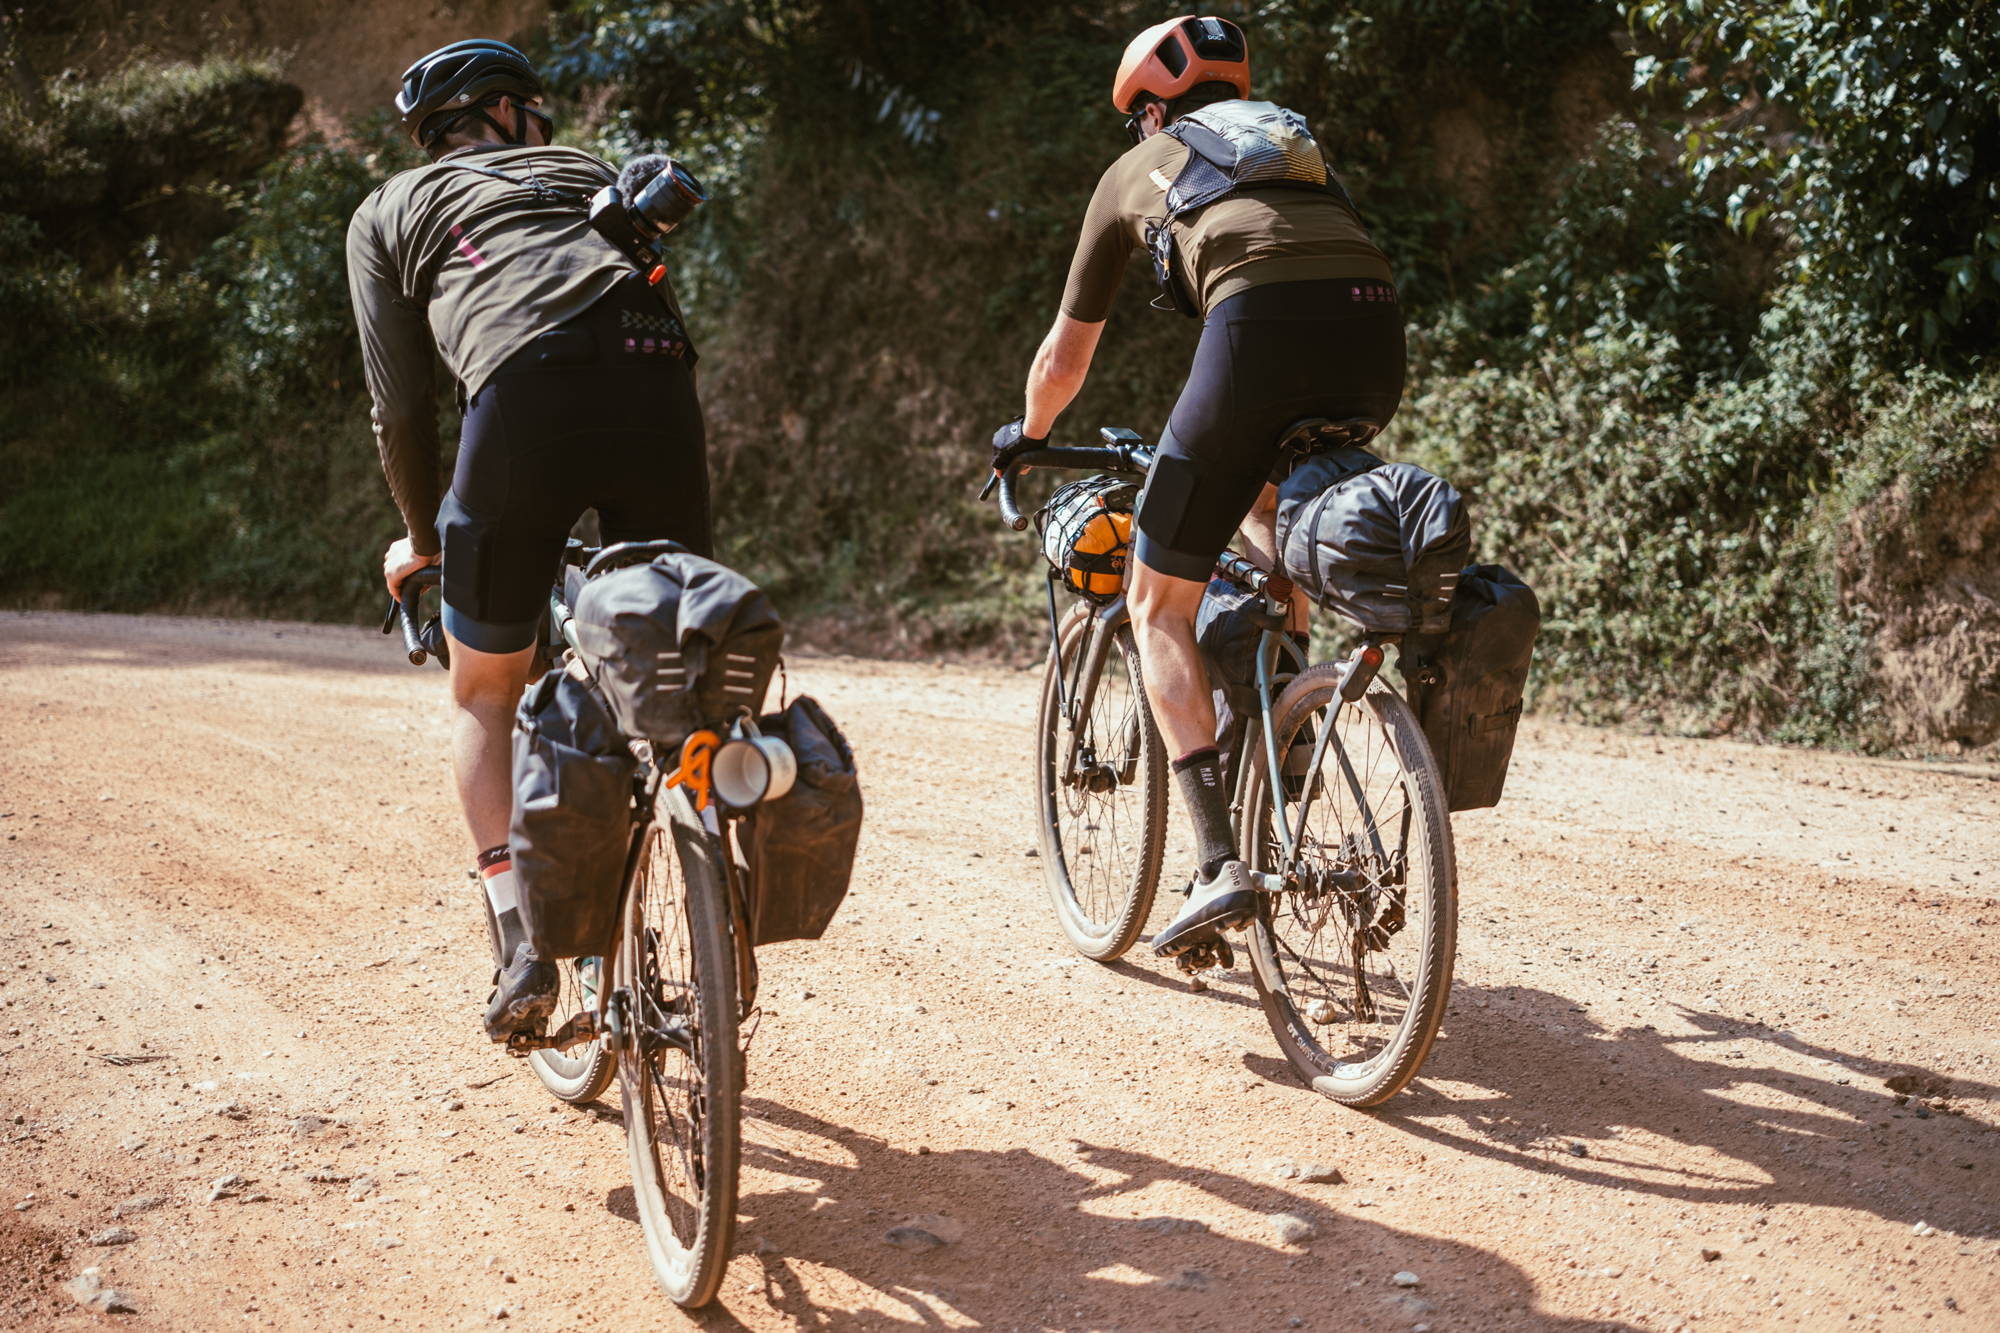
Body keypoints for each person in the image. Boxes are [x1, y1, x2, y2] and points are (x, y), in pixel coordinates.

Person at [996, 15, 1405, 958]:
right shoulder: (1293, 142)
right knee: (1269, 507)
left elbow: (1064, 356)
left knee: (1155, 605)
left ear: (1148, 108)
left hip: (1258, 335)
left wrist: (1029, 436)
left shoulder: (1136, 171)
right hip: (1375, 335)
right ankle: (1290, 716)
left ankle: (1219, 859)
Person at [346, 39, 710, 1040]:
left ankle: (519, 937)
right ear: (512, 114)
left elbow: (402, 413)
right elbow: (646, 296)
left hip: (520, 405)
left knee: (485, 687)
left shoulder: (388, 208)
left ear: (438, 132)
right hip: (657, 381)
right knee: (671, 649)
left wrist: (423, 541)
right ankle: (706, 840)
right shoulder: (588, 173)